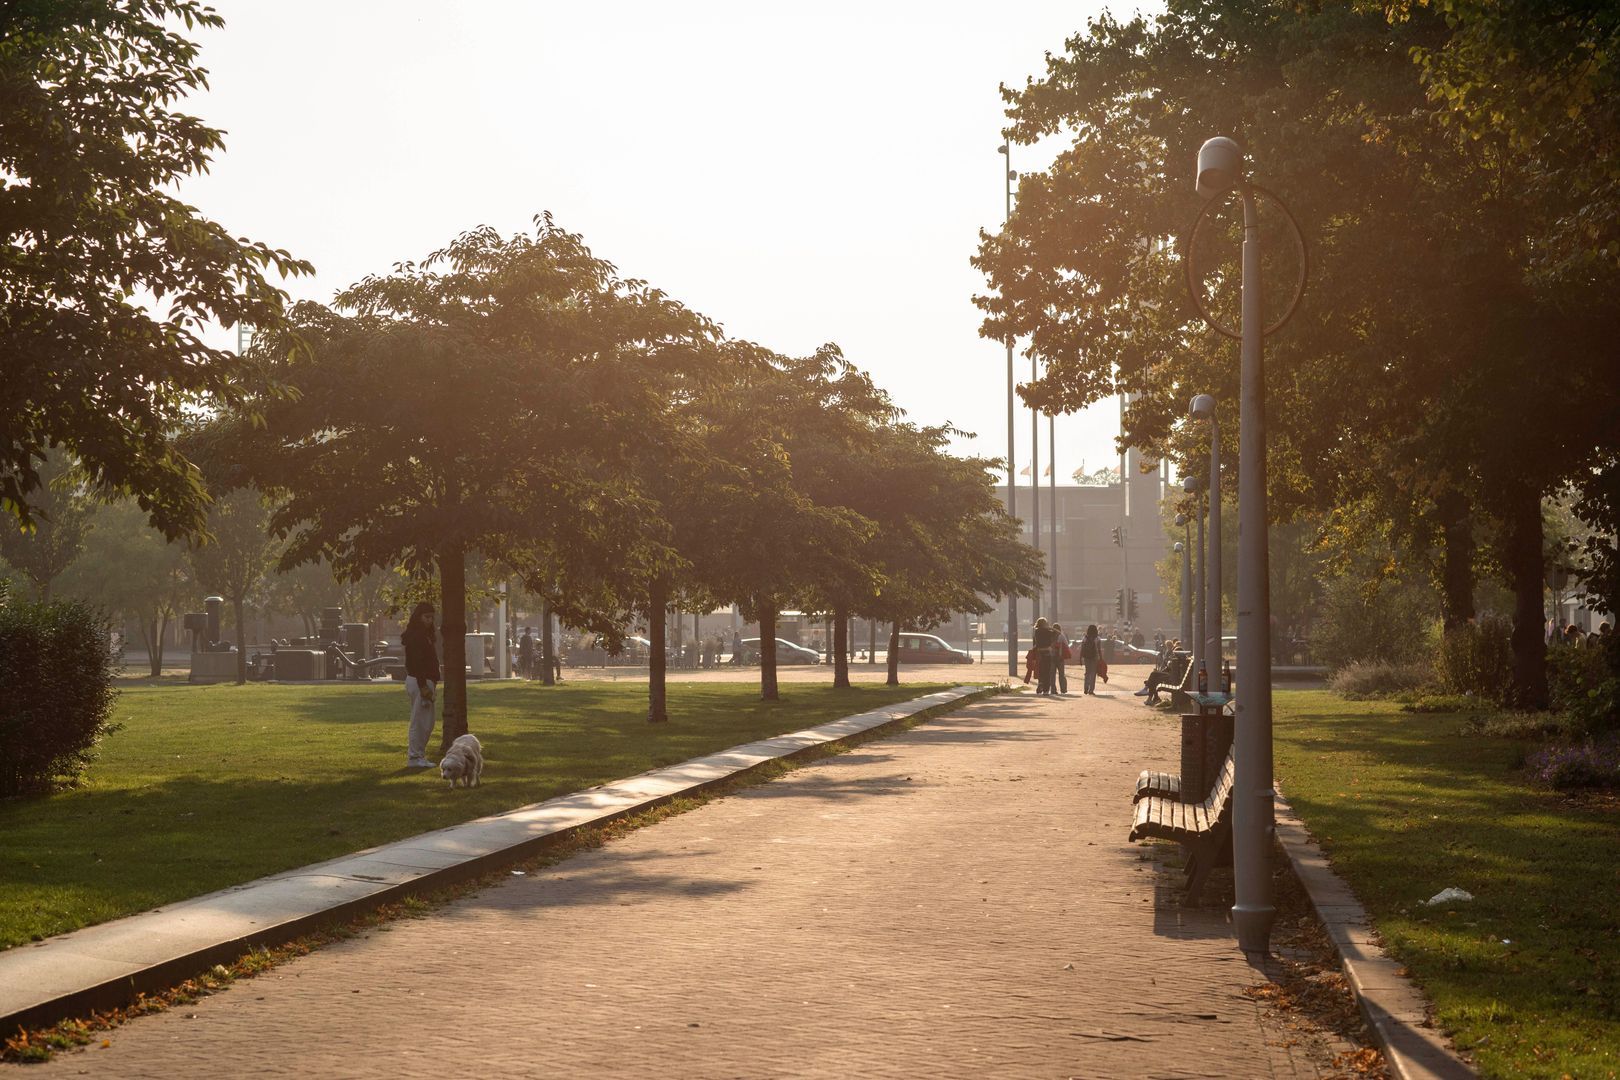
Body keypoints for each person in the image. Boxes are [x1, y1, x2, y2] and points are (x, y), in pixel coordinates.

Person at [401, 602, 441, 768]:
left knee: (426, 722)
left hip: (421, 681)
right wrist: (423, 685)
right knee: (420, 722)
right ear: (419, 617)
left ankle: (418, 755)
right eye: (426, 617)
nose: (429, 620)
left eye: (431, 617)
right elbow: (416, 663)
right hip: (420, 682)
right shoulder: (417, 636)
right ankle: (415, 757)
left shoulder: (421, 634)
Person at [1032, 617, 1057, 694]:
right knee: (1047, 671)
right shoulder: (1047, 631)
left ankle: (1040, 683)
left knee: (1041, 670)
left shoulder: (1036, 631)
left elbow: (1035, 642)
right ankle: (1046, 690)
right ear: (1045, 624)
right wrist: (1050, 627)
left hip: (1039, 652)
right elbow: (1058, 632)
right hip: (1047, 652)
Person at [1079, 623, 1102, 695]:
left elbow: (1082, 649)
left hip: (1086, 657)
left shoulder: (1085, 638)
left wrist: (1080, 658)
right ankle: (1091, 690)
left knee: (1087, 672)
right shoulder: (1097, 638)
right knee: (1093, 673)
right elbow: (1099, 650)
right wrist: (1101, 658)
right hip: (1094, 657)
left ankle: (1086, 687)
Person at [1053, 623, 1070, 695]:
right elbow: (1066, 644)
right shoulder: (1061, 635)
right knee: (1061, 674)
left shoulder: (1051, 635)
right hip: (1060, 657)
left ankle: (1053, 689)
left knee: (1052, 674)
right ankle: (1063, 689)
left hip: (1052, 657)